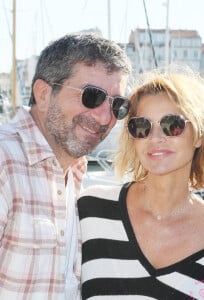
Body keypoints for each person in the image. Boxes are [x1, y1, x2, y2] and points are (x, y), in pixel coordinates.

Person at [78, 66, 204, 299]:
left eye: (172, 125)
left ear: (200, 135)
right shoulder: (92, 210)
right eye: (142, 126)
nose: (155, 138)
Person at [0, 33, 131, 299]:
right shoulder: (5, 162)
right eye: (92, 96)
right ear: (43, 93)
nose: (105, 117)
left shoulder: (75, 173)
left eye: (117, 104)